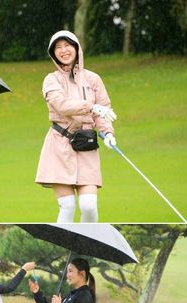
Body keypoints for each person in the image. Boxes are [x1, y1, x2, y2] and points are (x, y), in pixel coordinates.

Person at [35, 30, 118, 223]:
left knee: (89, 206)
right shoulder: (51, 80)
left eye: (67, 45)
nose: (63, 50)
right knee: (68, 206)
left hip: (86, 145)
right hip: (59, 145)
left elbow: (103, 109)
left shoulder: (93, 79)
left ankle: (87, 238)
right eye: (58, 47)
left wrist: (107, 132)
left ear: (76, 48)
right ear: (53, 53)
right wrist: (90, 106)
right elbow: (62, 105)